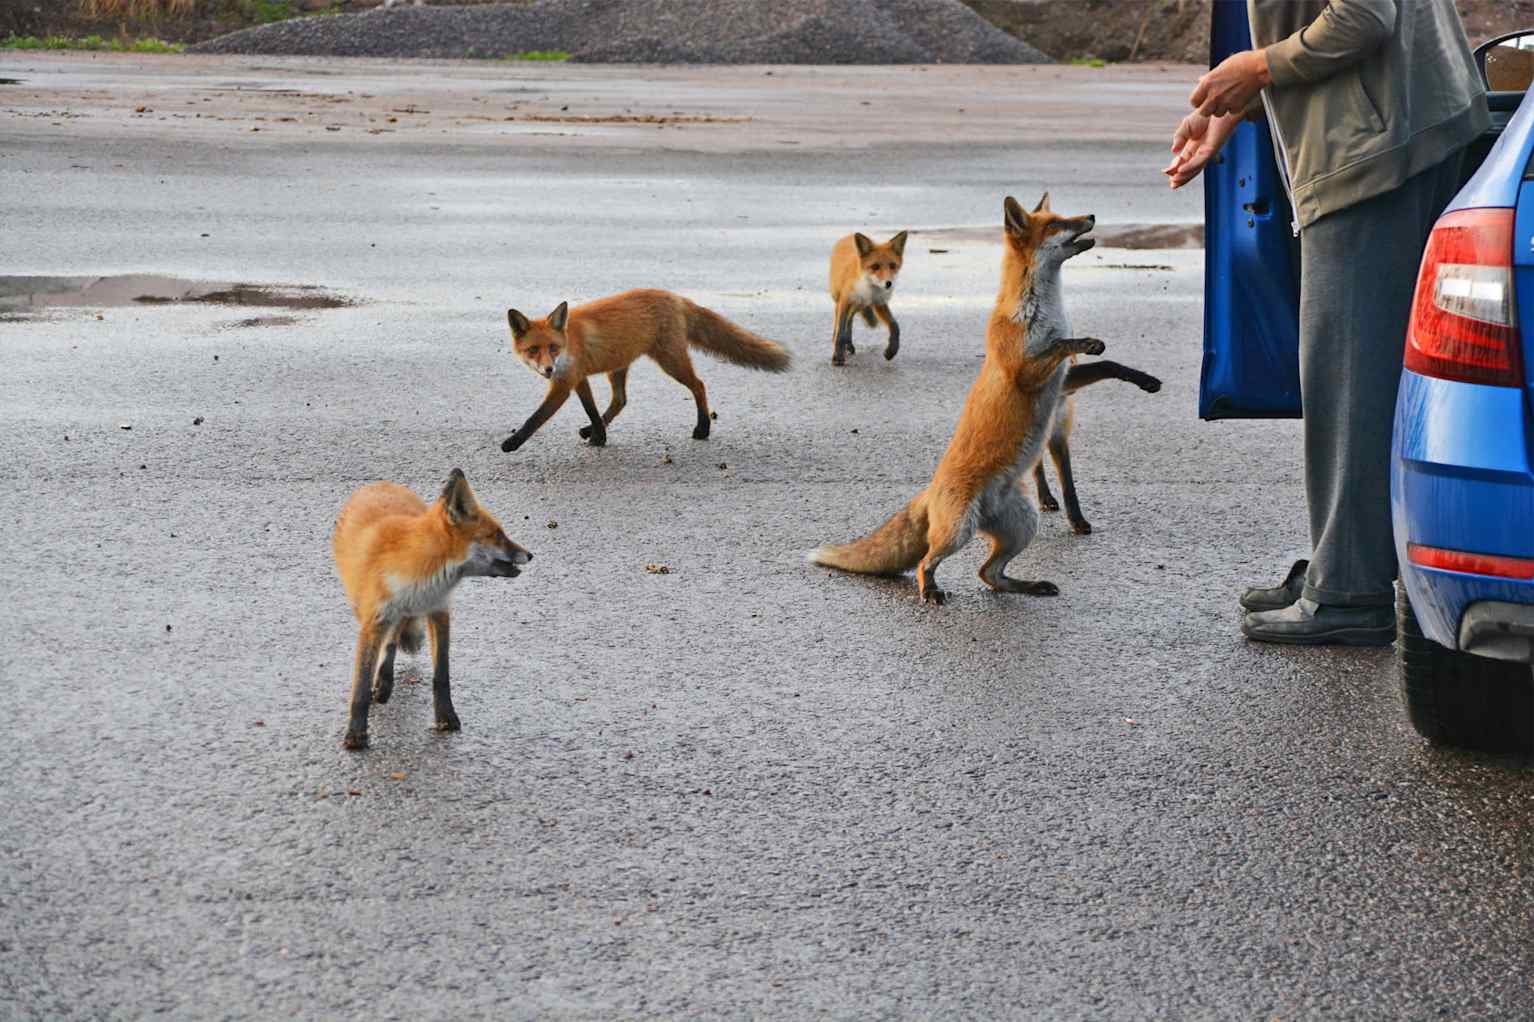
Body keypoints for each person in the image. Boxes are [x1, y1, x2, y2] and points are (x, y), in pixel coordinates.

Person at [1164, 0, 1490, 646]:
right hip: (1404, 121)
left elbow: (1363, 16)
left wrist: (1259, 67)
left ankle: (1348, 590)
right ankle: (1357, 558)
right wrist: (1227, 112)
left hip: (1374, 148)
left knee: (1348, 375)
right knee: (1385, 370)